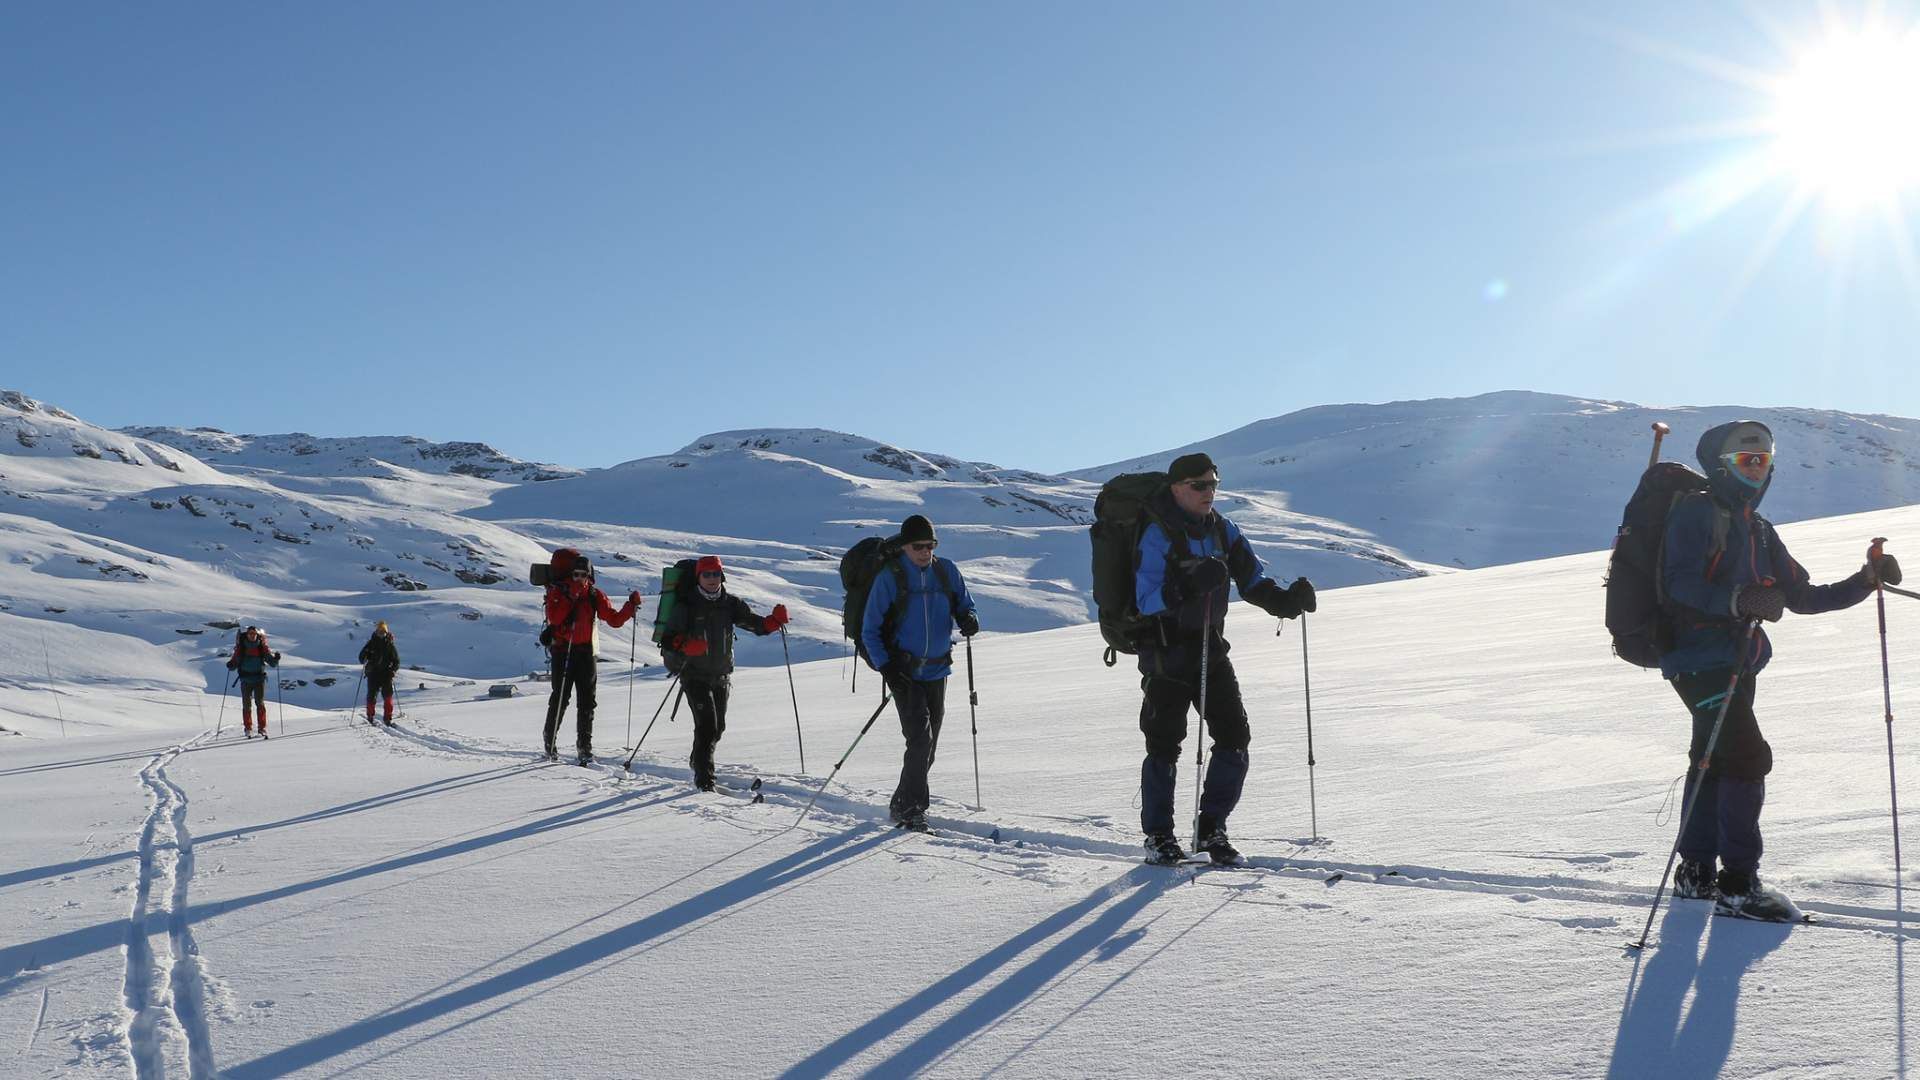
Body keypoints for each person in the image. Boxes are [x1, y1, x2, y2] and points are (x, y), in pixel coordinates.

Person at [1661, 420, 1898, 919]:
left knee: (1714, 758)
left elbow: (1804, 596)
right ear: (1722, 466)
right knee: (1746, 758)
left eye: (1765, 460)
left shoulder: (1758, 528)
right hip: (1698, 661)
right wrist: (1738, 598)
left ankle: (1696, 874)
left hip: (1737, 663)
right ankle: (1738, 885)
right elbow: (1677, 582)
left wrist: (1866, 579)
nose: (1757, 469)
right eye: (1748, 460)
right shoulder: (1698, 513)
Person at [1134, 453, 1315, 865]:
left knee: (1235, 737)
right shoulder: (1156, 534)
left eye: (1213, 483)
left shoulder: (1223, 529)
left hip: (1211, 651)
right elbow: (1145, 600)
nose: (1209, 492)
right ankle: (1159, 836)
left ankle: (1210, 828)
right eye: (1199, 485)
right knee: (1164, 744)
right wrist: (1187, 587)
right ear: (1177, 487)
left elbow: (1252, 581)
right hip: (1165, 653)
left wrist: (1287, 602)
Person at [859, 514, 978, 831]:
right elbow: (870, 629)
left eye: (930, 545)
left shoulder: (946, 571)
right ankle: (912, 810)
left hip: (938, 670)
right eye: (918, 546)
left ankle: (901, 803)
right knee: (920, 741)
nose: (925, 552)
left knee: (929, 747)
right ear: (905, 546)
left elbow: (966, 605)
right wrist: (887, 668)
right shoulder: (891, 577)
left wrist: (969, 618)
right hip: (904, 672)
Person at [661, 555, 790, 791]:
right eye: (706, 574)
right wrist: (685, 645)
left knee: (717, 728)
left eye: (716, 574)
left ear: (722, 576)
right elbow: (667, 639)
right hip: (693, 674)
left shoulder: (730, 603)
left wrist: (773, 622)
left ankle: (696, 761)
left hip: (721, 675)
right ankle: (704, 781)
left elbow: (755, 625)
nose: (712, 579)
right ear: (698, 577)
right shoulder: (686, 604)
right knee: (707, 726)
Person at [542, 554, 641, 765]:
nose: (579, 578)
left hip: (586, 652)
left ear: (590, 575)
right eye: (576, 574)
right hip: (563, 651)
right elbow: (555, 618)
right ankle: (550, 742)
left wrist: (630, 607)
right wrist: (571, 597)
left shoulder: (595, 595)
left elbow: (613, 619)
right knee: (561, 698)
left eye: (583, 575)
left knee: (587, 702)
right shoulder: (559, 591)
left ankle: (584, 747)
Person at [225, 625, 281, 740]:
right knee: (247, 705)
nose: (252, 635)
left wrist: (276, 659)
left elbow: (272, 663)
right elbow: (234, 664)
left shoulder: (261, 647)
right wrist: (230, 665)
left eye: (254, 634)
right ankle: (248, 728)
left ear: (257, 635)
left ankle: (261, 728)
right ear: (247, 634)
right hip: (246, 680)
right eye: (250, 633)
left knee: (259, 703)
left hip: (258, 679)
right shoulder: (242, 648)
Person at [357, 621, 400, 727]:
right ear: (376, 631)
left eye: (383, 631)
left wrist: (393, 671)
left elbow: (396, 661)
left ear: (386, 632)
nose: (381, 633)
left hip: (386, 674)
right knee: (372, 696)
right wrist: (365, 656)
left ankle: (387, 718)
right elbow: (361, 658)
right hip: (373, 673)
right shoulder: (371, 643)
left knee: (388, 697)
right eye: (379, 631)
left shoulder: (390, 645)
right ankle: (370, 717)